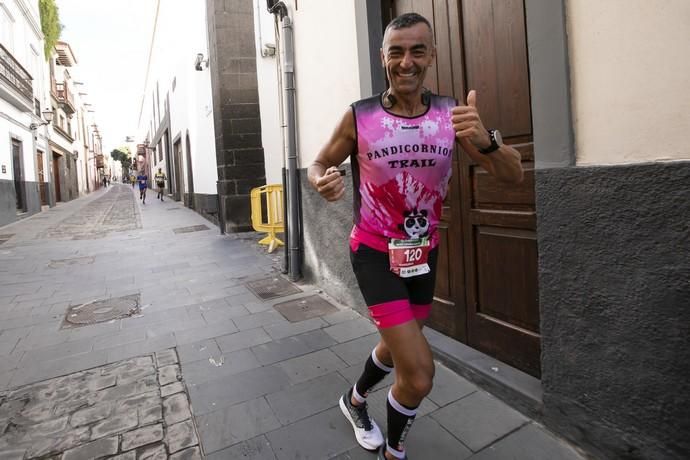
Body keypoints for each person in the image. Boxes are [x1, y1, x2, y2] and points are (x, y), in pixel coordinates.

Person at [307, 13, 524, 460]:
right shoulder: (359, 116)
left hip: (424, 256)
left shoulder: (451, 116)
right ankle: (394, 451)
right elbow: (318, 163)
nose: (407, 62)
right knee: (420, 373)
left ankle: (353, 401)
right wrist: (321, 180)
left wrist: (485, 141)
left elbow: (512, 176)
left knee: (395, 345)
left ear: (432, 56)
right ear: (382, 57)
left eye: (417, 50)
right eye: (397, 52)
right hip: (373, 253)